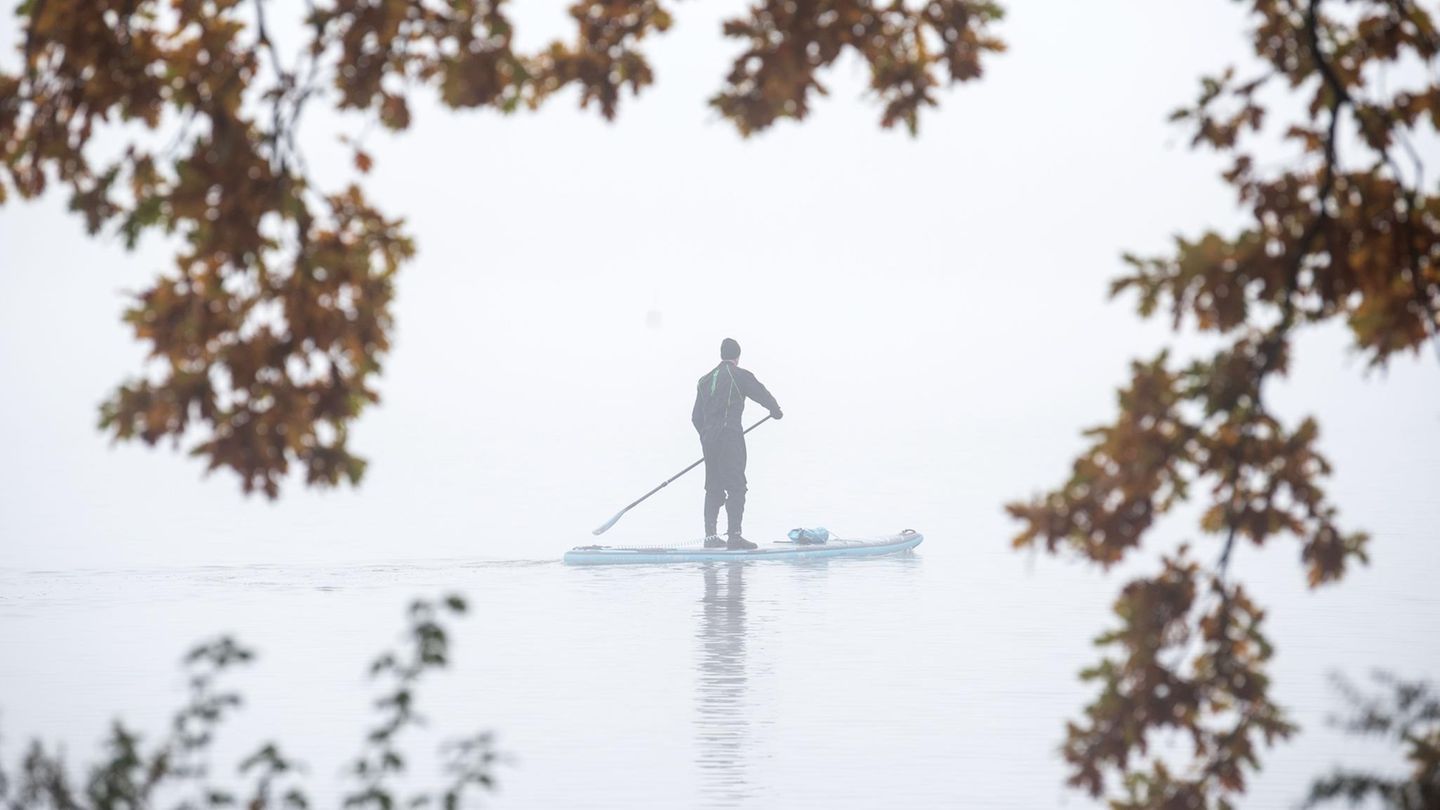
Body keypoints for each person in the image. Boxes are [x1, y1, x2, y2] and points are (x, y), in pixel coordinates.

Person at [692, 338, 782, 550]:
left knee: (713, 486)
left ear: (721, 355)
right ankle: (735, 537)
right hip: (730, 437)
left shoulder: (704, 381)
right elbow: (761, 393)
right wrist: (775, 410)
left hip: (709, 440)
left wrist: (706, 436)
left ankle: (710, 538)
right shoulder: (739, 375)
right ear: (737, 357)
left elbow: (696, 418)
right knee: (736, 486)